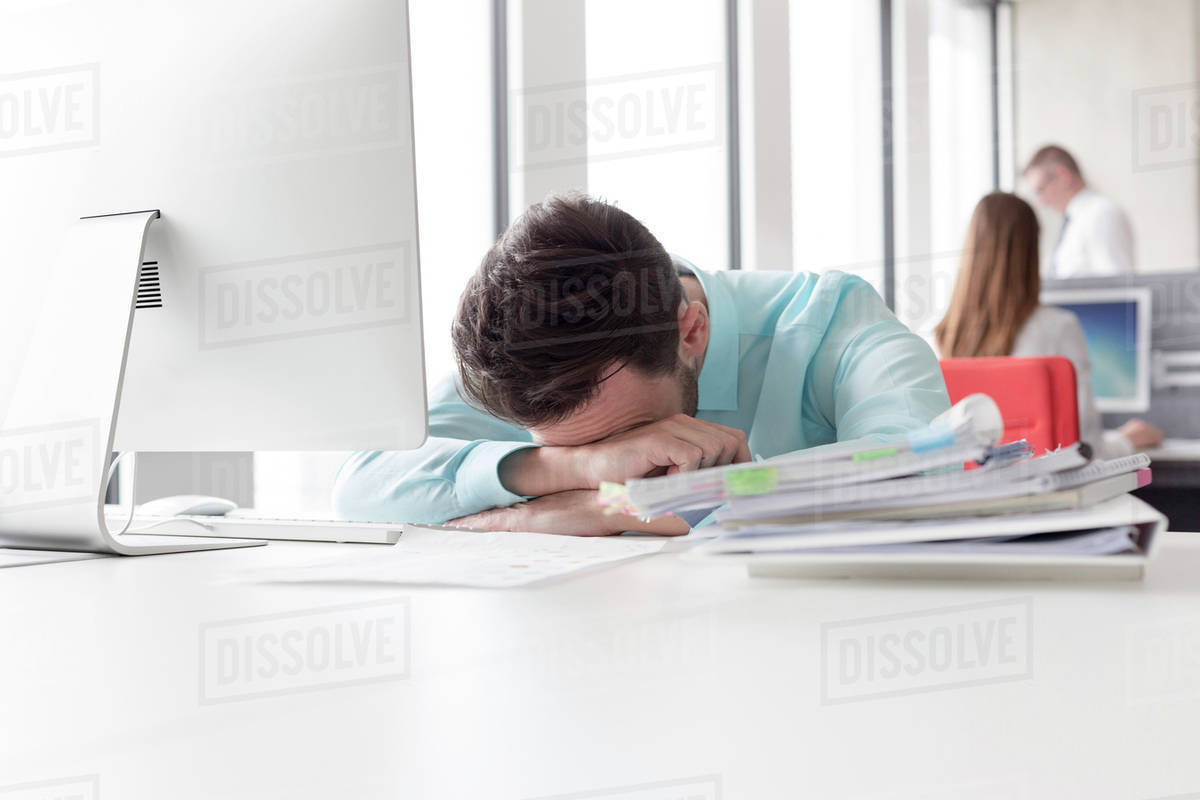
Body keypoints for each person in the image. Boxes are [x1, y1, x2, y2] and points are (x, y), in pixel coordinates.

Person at [334, 193, 951, 535]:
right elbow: (361, 483)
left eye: (624, 438)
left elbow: (931, 473)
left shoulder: (835, 325)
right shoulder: (534, 354)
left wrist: (621, 506)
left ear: (692, 332)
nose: (620, 469)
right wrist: (561, 467)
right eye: (586, 456)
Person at [935, 192, 1162, 458]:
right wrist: (1127, 440)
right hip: (1040, 490)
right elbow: (1085, 450)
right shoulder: (1059, 328)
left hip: (965, 491)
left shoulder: (940, 336)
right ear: (1031, 252)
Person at [1022, 144, 1135, 278]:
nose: (1041, 202)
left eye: (1040, 190)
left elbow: (1117, 282)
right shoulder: (1073, 220)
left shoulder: (1101, 214)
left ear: (1063, 175)